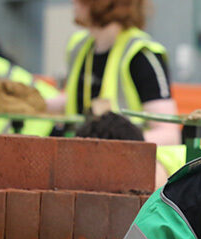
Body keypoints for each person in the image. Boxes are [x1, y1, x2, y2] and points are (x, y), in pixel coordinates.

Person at [47, 0, 184, 176]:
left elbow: (169, 133)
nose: (73, 3)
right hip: (86, 160)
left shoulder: (141, 53)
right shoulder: (78, 46)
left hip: (131, 165)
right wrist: (32, 102)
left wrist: (117, 145)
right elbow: (75, 99)